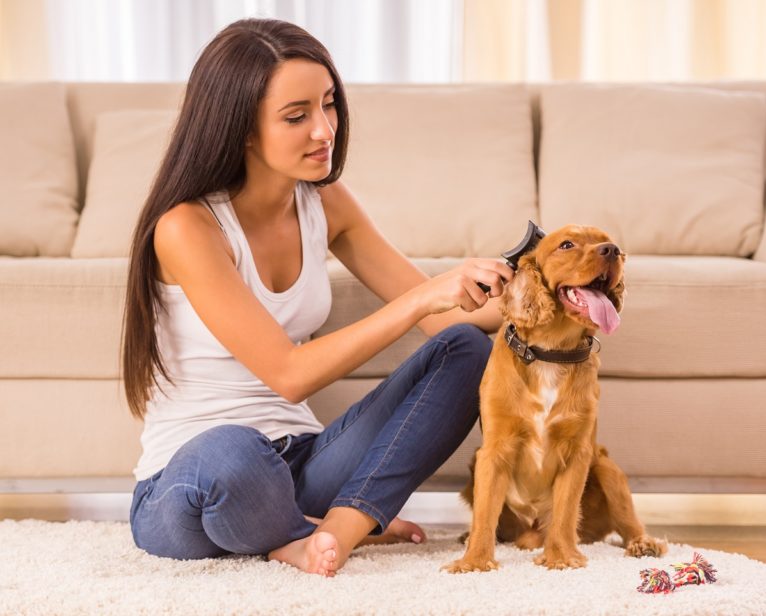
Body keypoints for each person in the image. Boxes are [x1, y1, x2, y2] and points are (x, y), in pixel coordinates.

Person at [122, 18, 513, 577]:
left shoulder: (325, 202)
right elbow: (289, 373)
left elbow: (448, 319)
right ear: (243, 130)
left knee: (466, 351)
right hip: (189, 484)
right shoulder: (188, 227)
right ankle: (306, 530)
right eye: (297, 116)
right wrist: (424, 296)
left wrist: (548, 288)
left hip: (303, 464)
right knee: (233, 453)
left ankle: (341, 526)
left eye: (329, 105)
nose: (325, 129)